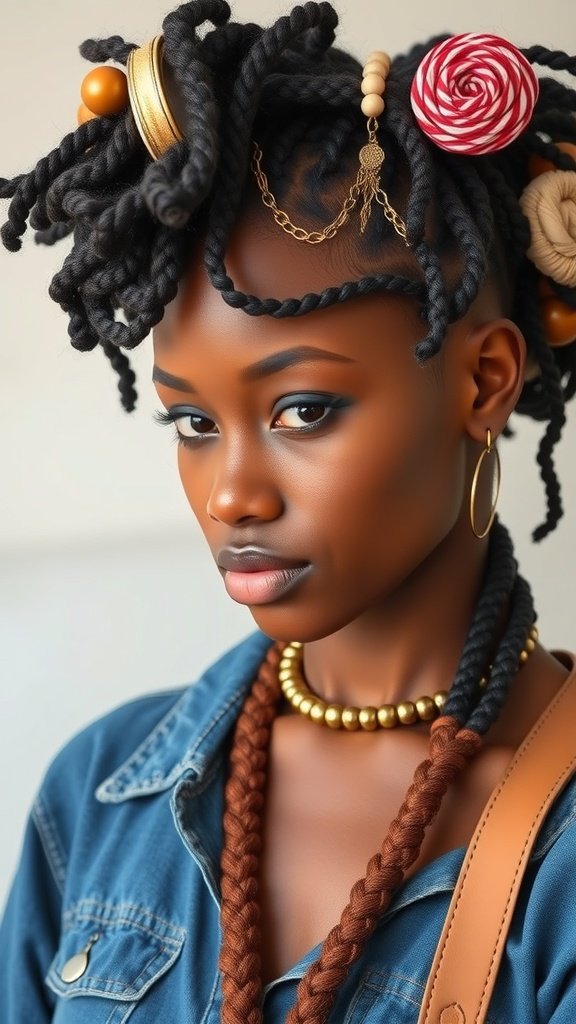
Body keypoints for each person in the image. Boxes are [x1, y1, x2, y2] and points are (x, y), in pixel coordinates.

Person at [1, 1, 576, 1020]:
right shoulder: (94, 798)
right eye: (193, 422)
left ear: (484, 382)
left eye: (303, 409)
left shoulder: (558, 854)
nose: (232, 494)